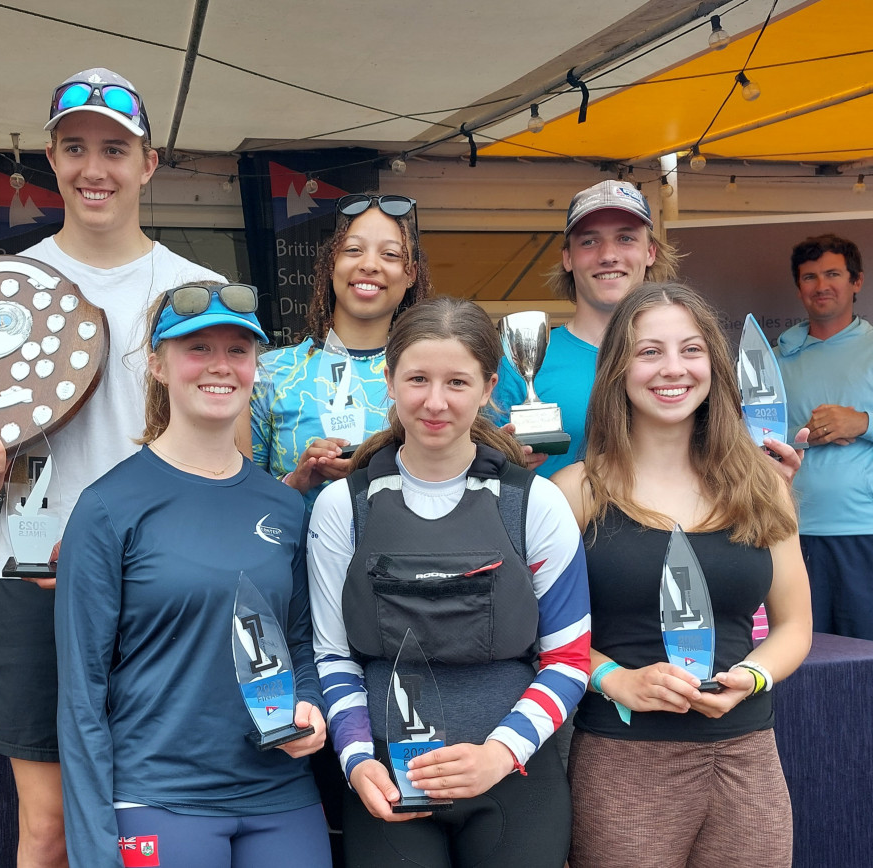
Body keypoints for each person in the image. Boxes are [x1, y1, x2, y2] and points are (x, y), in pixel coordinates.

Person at [0, 68, 226, 867]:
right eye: (75, 148)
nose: (93, 168)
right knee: (50, 829)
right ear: (50, 159)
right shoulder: (7, 288)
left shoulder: (192, 295)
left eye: (113, 148)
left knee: (154, 818)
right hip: (35, 584)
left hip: (157, 587)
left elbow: (220, 455)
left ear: (148, 162)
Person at [308, 296, 591, 867]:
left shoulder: (534, 503)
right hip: (387, 784)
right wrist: (358, 761)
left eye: (457, 382)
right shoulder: (344, 506)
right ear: (388, 381)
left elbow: (569, 660)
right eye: (417, 379)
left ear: (489, 387)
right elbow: (333, 656)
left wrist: (499, 753)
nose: (435, 402)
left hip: (514, 779)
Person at [55, 283, 330, 868]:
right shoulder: (108, 507)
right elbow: (81, 695)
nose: (220, 366)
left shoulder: (283, 506)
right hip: (159, 796)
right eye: (197, 348)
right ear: (158, 365)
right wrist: (93, 850)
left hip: (279, 793)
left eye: (238, 350)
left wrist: (309, 706)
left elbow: (301, 642)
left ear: (256, 366)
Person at [553, 282, 812, 868]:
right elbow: (544, 637)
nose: (674, 368)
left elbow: (796, 626)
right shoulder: (574, 493)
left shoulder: (763, 487)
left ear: (715, 366)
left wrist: (753, 675)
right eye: (649, 352)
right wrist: (617, 679)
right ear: (618, 367)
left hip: (747, 758)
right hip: (623, 760)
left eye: (691, 350)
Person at [250, 193, 432, 509]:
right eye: (353, 250)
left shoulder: (432, 376)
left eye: (390, 254)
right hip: (298, 557)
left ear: (411, 274)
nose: (369, 265)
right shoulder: (269, 372)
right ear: (332, 263)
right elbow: (239, 502)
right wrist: (296, 482)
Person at [490, 179, 680, 476]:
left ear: (650, 252)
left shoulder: (684, 362)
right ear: (568, 257)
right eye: (589, 241)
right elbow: (483, 471)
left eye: (626, 238)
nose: (607, 255)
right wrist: (498, 460)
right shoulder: (517, 364)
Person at [776, 234, 873, 639]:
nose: (821, 285)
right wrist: (799, 437)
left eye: (833, 274)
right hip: (790, 530)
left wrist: (863, 422)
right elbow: (745, 439)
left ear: (857, 282)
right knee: (805, 663)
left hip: (863, 530)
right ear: (799, 288)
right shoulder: (777, 358)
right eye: (809, 277)